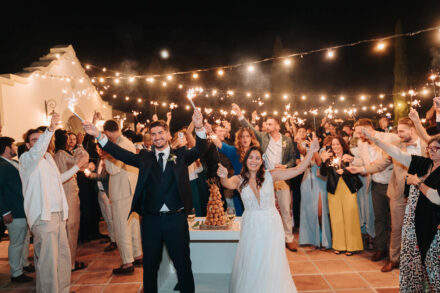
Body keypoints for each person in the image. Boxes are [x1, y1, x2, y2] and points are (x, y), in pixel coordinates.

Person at [83, 109, 208, 293]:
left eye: (160, 133)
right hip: (151, 221)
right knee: (150, 267)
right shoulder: (144, 157)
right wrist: (99, 135)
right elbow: (119, 153)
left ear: (167, 134)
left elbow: (200, 149)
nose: (157, 137)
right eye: (153, 134)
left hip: (176, 219)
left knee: (183, 264)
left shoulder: (180, 155)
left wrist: (198, 126)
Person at [216, 137, 320, 293]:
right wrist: (223, 175)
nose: (254, 160)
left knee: (271, 261)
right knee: (253, 259)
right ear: (246, 160)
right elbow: (226, 184)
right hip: (251, 224)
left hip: (271, 223)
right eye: (251, 157)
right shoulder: (239, 179)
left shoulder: (271, 175)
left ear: (261, 161)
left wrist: (311, 151)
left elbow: (297, 170)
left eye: (257, 158)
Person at [360, 128, 440, 291]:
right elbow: (397, 154)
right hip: (416, 222)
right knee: (415, 265)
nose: (430, 151)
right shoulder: (425, 163)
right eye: (429, 148)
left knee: (434, 269)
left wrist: (417, 182)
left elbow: (437, 198)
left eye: (435, 149)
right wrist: (375, 140)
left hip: (433, 225)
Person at [19, 113, 88, 293]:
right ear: (28, 145)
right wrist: (50, 129)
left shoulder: (49, 159)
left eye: (40, 139)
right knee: (48, 263)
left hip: (58, 215)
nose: (38, 142)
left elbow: (59, 179)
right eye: (34, 140)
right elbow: (37, 151)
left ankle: (63, 290)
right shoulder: (26, 160)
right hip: (43, 216)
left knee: (63, 259)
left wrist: (77, 166)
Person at [347, 117, 427, 272]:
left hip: (421, 193)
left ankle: (417, 262)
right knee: (396, 228)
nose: (399, 134)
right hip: (398, 193)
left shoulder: (426, 146)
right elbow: (382, 163)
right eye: (398, 131)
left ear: (412, 130)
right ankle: (394, 259)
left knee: (420, 227)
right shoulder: (396, 145)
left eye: (402, 131)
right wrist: (362, 169)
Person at [233, 103, 298, 252]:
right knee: (267, 210)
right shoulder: (263, 137)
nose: (267, 126)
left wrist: (286, 166)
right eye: (266, 124)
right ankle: (271, 237)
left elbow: (293, 160)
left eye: (270, 124)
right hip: (265, 178)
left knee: (285, 209)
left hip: (281, 178)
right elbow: (249, 126)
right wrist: (239, 114)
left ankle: (288, 238)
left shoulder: (287, 141)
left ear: (277, 126)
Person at [348, 118, 398, 261]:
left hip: (392, 182)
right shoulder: (361, 143)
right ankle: (381, 248)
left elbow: (398, 157)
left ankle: (395, 253)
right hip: (375, 184)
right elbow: (364, 163)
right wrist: (352, 161)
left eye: (360, 133)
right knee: (379, 218)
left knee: (395, 220)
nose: (358, 137)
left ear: (369, 129)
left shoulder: (389, 137)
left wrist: (384, 164)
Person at [101, 119, 143, 274]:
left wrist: (105, 156)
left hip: (121, 190)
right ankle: (138, 255)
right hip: (131, 188)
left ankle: (127, 262)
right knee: (133, 225)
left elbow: (113, 170)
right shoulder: (128, 141)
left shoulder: (118, 145)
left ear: (107, 132)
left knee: (121, 227)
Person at [320, 136, 364, 255]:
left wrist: (344, 171)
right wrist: (323, 161)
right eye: (333, 145)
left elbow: (356, 170)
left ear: (342, 145)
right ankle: (339, 246)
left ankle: (352, 246)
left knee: (351, 216)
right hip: (334, 190)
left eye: (337, 144)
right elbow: (323, 173)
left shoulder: (348, 156)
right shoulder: (329, 157)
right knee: (336, 218)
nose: (335, 147)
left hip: (348, 188)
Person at [54, 130, 89, 272]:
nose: (70, 141)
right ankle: (70, 264)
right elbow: (82, 161)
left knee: (67, 231)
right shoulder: (62, 155)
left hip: (64, 195)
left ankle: (67, 262)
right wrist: (80, 145)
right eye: (68, 139)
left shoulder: (56, 155)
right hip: (69, 195)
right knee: (72, 229)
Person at [0, 137, 33, 283]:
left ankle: (23, 264)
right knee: (16, 243)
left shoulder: (14, 163)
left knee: (24, 239)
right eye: (12, 145)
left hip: (22, 208)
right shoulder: (1, 166)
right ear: (7, 148)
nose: (14, 148)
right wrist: (4, 211)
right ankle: (16, 272)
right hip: (13, 209)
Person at [209, 127, 260, 216]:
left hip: (254, 186)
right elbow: (218, 143)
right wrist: (210, 131)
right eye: (242, 137)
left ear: (251, 138)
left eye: (247, 136)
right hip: (239, 186)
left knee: (255, 213)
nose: (245, 139)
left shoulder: (256, 152)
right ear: (239, 139)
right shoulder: (234, 151)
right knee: (241, 215)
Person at [299, 135, 332, 249]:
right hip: (307, 182)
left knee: (320, 212)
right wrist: (299, 140)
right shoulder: (306, 150)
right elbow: (301, 150)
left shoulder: (323, 151)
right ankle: (312, 239)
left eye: (316, 139)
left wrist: (315, 150)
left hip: (319, 182)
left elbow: (319, 163)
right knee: (308, 211)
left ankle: (323, 238)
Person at [86, 144, 117, 252]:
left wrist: (90, 175)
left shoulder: (110, 159)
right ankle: (111, 236)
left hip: (108, 192)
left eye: (101, 149)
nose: (99, 151)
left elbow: (104, 176)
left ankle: (115, 240)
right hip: (100, 191)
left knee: (110, 217)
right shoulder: (100, 159)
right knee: (105, 216)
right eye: (97, 149)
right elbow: (98, 173)